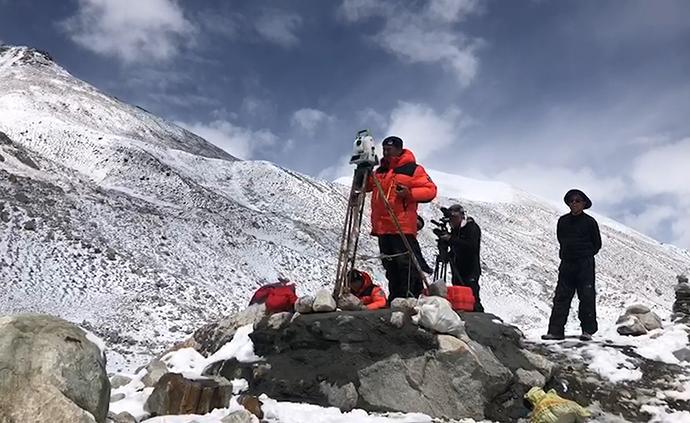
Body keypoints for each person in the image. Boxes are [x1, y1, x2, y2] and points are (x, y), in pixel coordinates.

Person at [365, 135, 438, 302]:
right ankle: (396, 297)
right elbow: (366, 186)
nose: (386, 152)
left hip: (402, 225)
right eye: (384, 149)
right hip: (383, 227)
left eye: (389, 149)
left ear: (399, 149)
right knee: (390, 265)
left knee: (407, 264)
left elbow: (430, 190)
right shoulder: (380, 171)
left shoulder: (413, 169)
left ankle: (410, 296)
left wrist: (410, 194)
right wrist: (363, 171)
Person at [542, 189, 602, 341]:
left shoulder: (590, 222)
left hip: (585, 264)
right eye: (572, 201)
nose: (574, 203)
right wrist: (569, 253)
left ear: (584, 203)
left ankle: (587, 331)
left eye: (577, 200)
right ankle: (555, 332)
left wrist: (585, 254)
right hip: (567, 263)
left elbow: (597, 244)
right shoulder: (562, 221)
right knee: (561, 297)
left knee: (586, 296)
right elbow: (561, 239)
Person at [439, 204, 484, 312]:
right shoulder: (456, 230)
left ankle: (478, 316)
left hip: (470, 269)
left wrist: (451, 239)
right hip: (457, 268)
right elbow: (455, 247)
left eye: (454, 218)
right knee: (459, 296)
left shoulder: (471, 228)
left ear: (462, 216)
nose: (452, 221)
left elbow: (471, 246)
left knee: (471, 296)